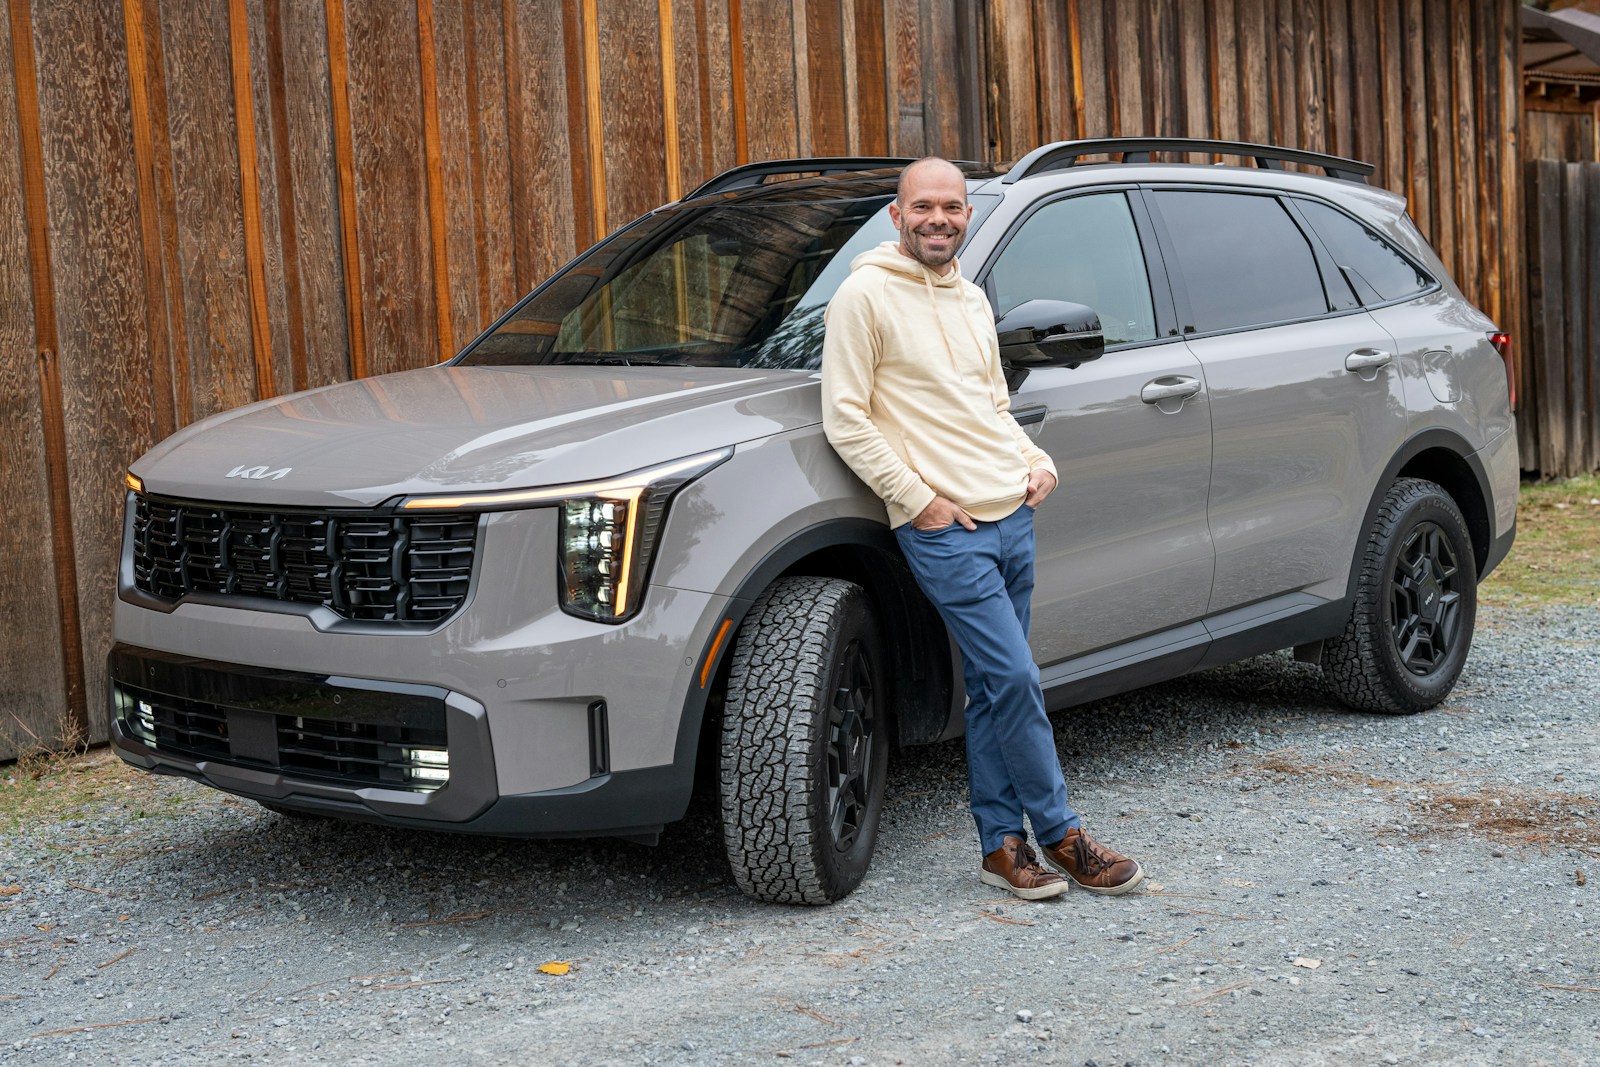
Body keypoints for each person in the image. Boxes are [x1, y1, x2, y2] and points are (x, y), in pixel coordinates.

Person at [820, 156, 1145, 901]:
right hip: (946, 529)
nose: (940, 219)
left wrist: (1038, 461)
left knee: (998, 691)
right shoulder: (863, 296)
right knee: (1016, 677)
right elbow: (846, 416)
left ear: (967, 214)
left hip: (1012, 516)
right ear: (896, 216)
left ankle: (1001, 845)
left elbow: (990, 409)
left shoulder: (969, 299)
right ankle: (1063, 835)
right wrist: (917, 500)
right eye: (923, 207)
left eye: (953, 207)